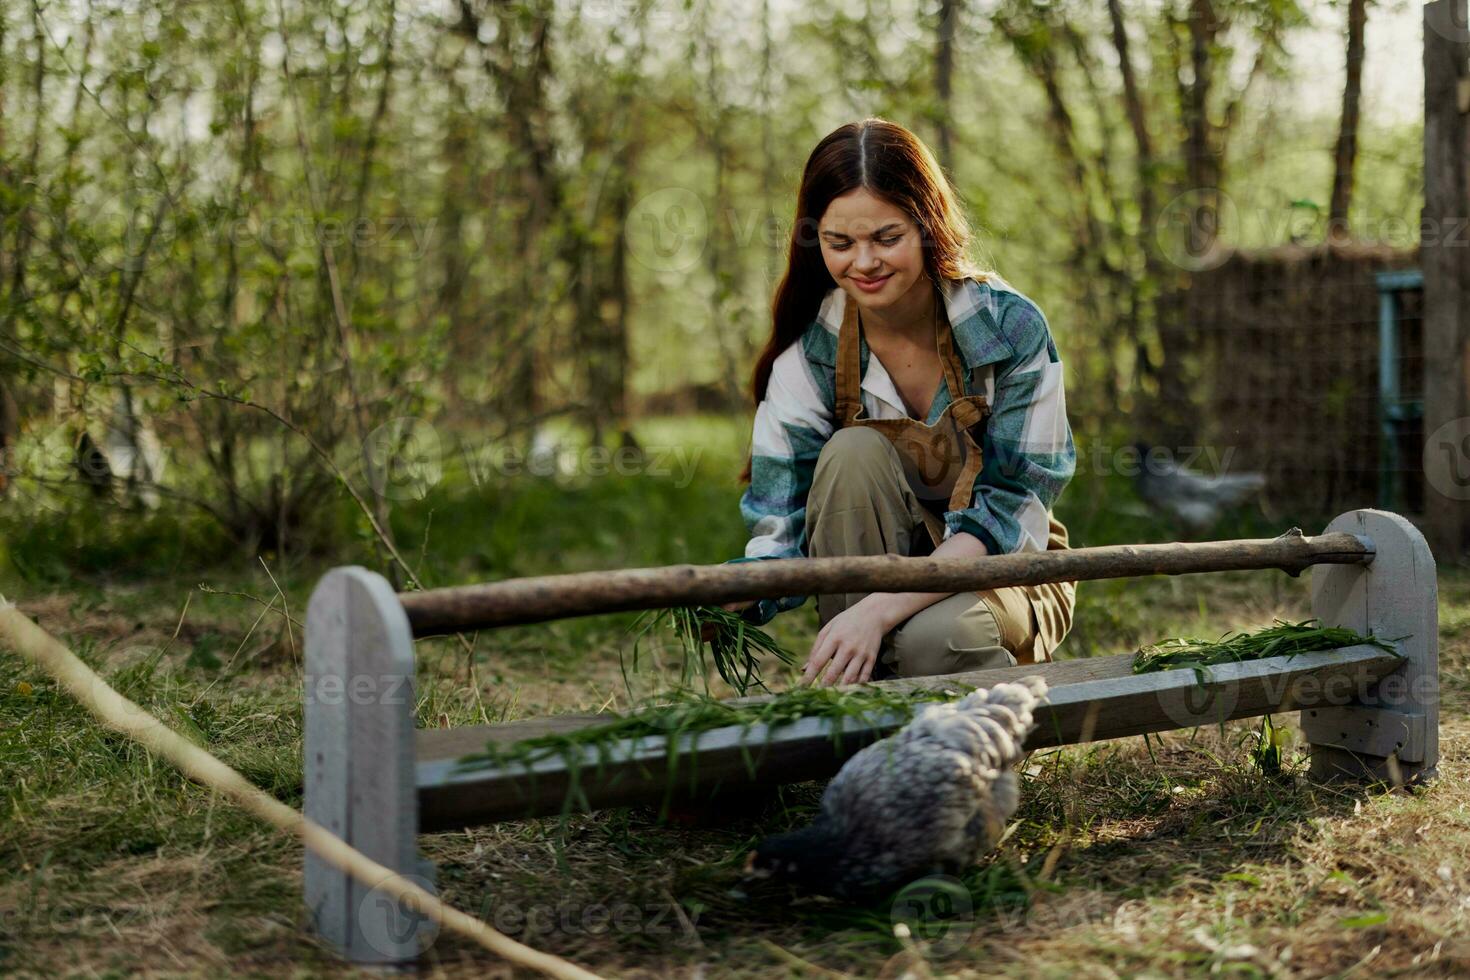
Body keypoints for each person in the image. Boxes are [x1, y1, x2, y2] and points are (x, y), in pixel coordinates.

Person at [723, 118, 1077, 687]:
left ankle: (976, 733)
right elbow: (780, 520)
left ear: (929, 228)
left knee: (936, 640)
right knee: (852, 452)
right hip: (868, 583)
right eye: (841, 244)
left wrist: (881, 608)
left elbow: (1011, 509)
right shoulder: (812, 349)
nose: (863, 263)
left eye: (887, 239)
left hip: (1005, 569)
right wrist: (738, 592)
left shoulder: (1008, 327)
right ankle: (859, 710)